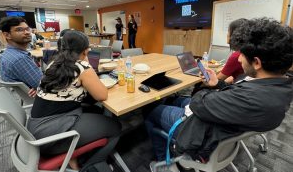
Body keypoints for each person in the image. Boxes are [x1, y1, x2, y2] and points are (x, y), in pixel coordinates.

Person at [145, 18, 293, 172]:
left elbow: (198, 102)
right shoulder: (280, 87)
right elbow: (231, 93)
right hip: (221, 121)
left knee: (151, 111)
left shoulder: (251, 98)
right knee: (174, 99)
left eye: (242, 54)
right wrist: (218, 84)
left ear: (257, 62)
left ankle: (165, 164)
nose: (239, 58)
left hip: (200, 130)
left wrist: (205, 89)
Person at [27, 30, 121, 170]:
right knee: (116, 127)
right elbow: (102, 96)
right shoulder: (82, 66)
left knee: (96, 109)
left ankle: (75, 156)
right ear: (85, 50)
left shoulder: (54, 63)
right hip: (51, 137)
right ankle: (92, 165)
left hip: (35, 129)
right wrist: (86, 62)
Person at [0, 17, 43, 96]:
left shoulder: (6, 54)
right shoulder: (20, 58)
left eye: (27, 29)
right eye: (19, 29)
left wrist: (38, 87)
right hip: (37, 100)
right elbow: (45, 85)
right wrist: (40, 87)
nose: (27, 32)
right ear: (7, 35)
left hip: (20, 97)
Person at [217, 19, 246, 83]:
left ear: (235, 35)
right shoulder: (246, 52)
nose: (227, 34)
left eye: (229, 31)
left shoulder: (237, 56)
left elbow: (218, 79)